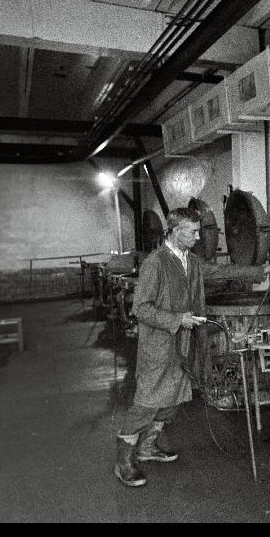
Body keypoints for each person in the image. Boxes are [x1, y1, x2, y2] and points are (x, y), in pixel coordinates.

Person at [113, 207, 208, 487]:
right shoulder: (156, 262)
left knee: (173, 401)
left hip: (181, 345)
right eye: (193, 231)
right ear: (176, 231)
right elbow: (140, 308)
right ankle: (123, 462)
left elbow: (216, 270)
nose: (198, 237)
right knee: (146, 404)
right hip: (158, 348)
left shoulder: (190, 259)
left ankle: (147, 447)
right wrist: (178, 319)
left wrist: (258, 270)